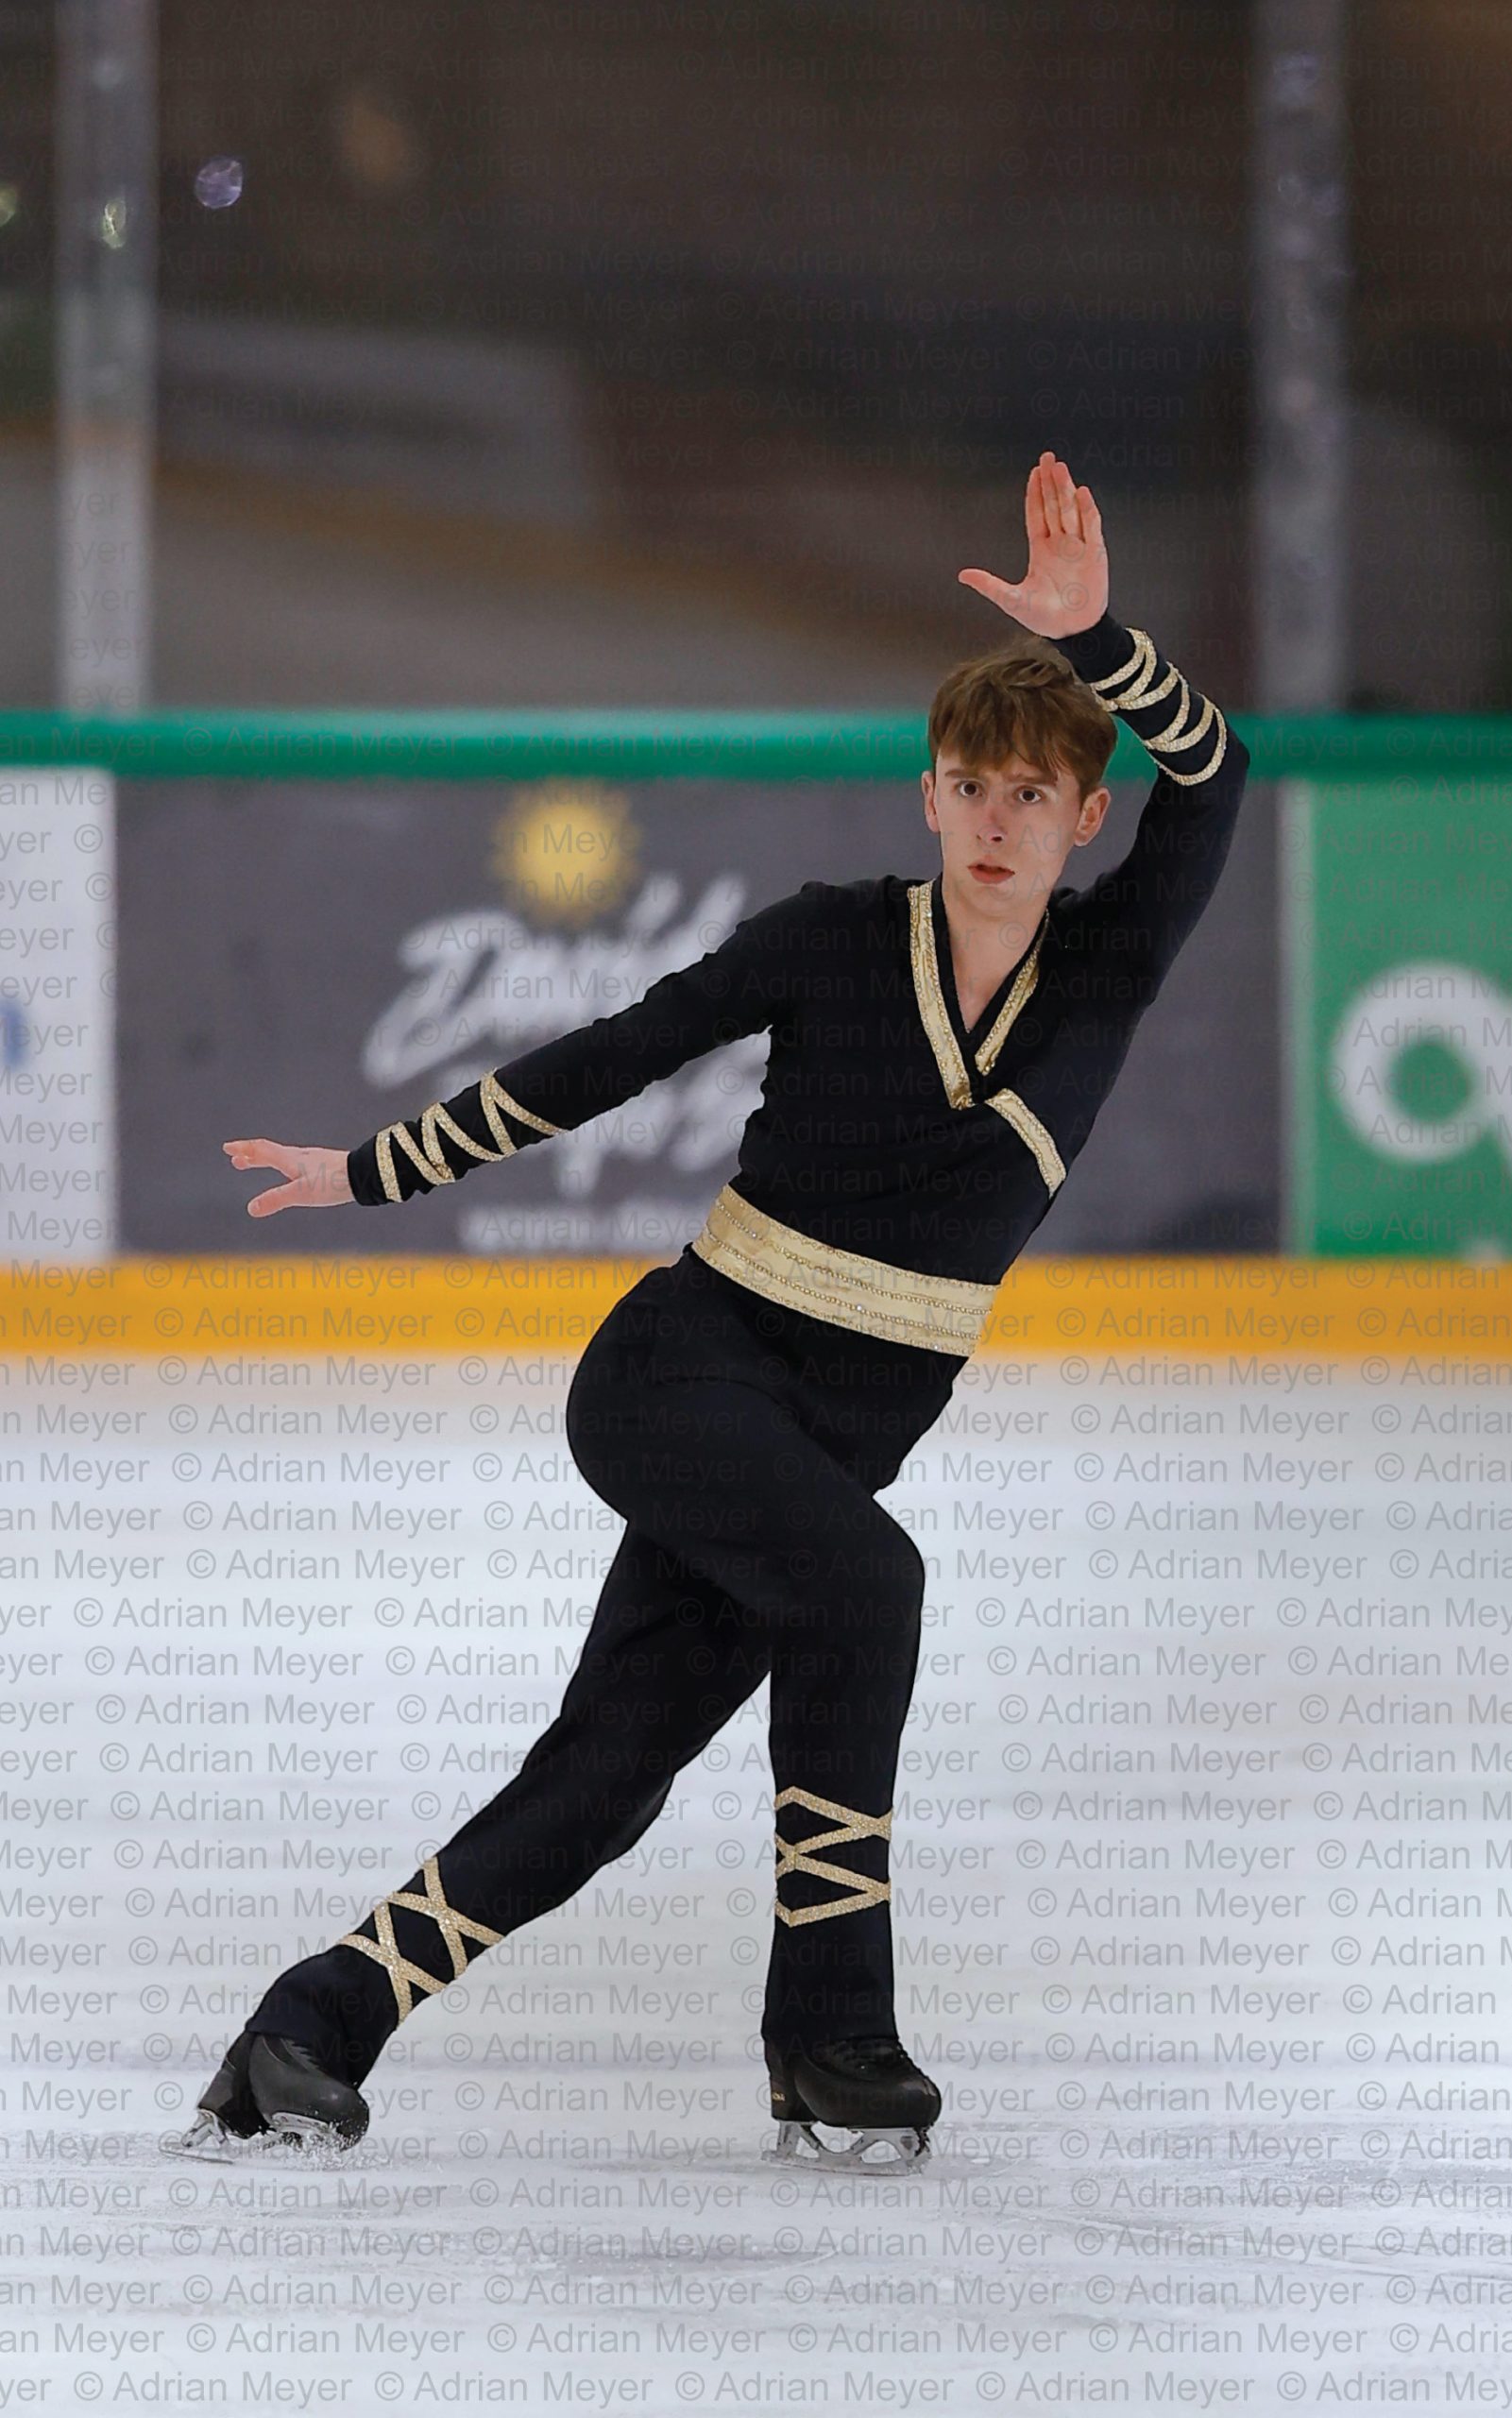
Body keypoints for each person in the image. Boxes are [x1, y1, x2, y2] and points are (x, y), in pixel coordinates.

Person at [172, 453, 1249, 2171]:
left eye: (1032, 795)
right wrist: (375, 1169)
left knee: (604, 1780)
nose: (996, 820)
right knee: (870, 1587)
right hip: (678, 1376)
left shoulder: (1105, 974)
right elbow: (613, 1056)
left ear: (1083, 819)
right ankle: (832, 2037)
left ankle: (305, 2031)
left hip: (815, 1450)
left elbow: (1221, 767)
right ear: (928, 796)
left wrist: (1101, 640)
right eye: (970, 786)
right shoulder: (832, 942)